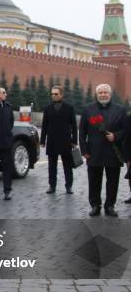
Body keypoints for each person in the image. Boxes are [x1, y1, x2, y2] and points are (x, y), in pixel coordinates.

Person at [79, 83, 127, 217]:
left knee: (113, 181)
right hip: (94, 152)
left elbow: (126, 130)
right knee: (94, 180)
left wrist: (115, 136)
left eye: (105, 92)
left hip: (113, 151)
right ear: (97, 94)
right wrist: (84, 150)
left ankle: (110, 206)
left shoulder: (120, 110)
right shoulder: (88, 109)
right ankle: (95, 205)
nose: (103, 95)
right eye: (100, 93)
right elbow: (82, 132)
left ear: (110, 94)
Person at [40, 85, 78, 194]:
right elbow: (45, 125)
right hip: (52, 141)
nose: (53, 96)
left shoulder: (69, 108)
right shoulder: (48, 108)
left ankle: (69, 186)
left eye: (56, 94)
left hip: (66, 141)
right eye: (52, 94)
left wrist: (74, 141)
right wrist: (42, 141)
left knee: (68, 166)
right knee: (52, 166)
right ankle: (52, 186)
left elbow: (74, 126)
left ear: (61, 94)